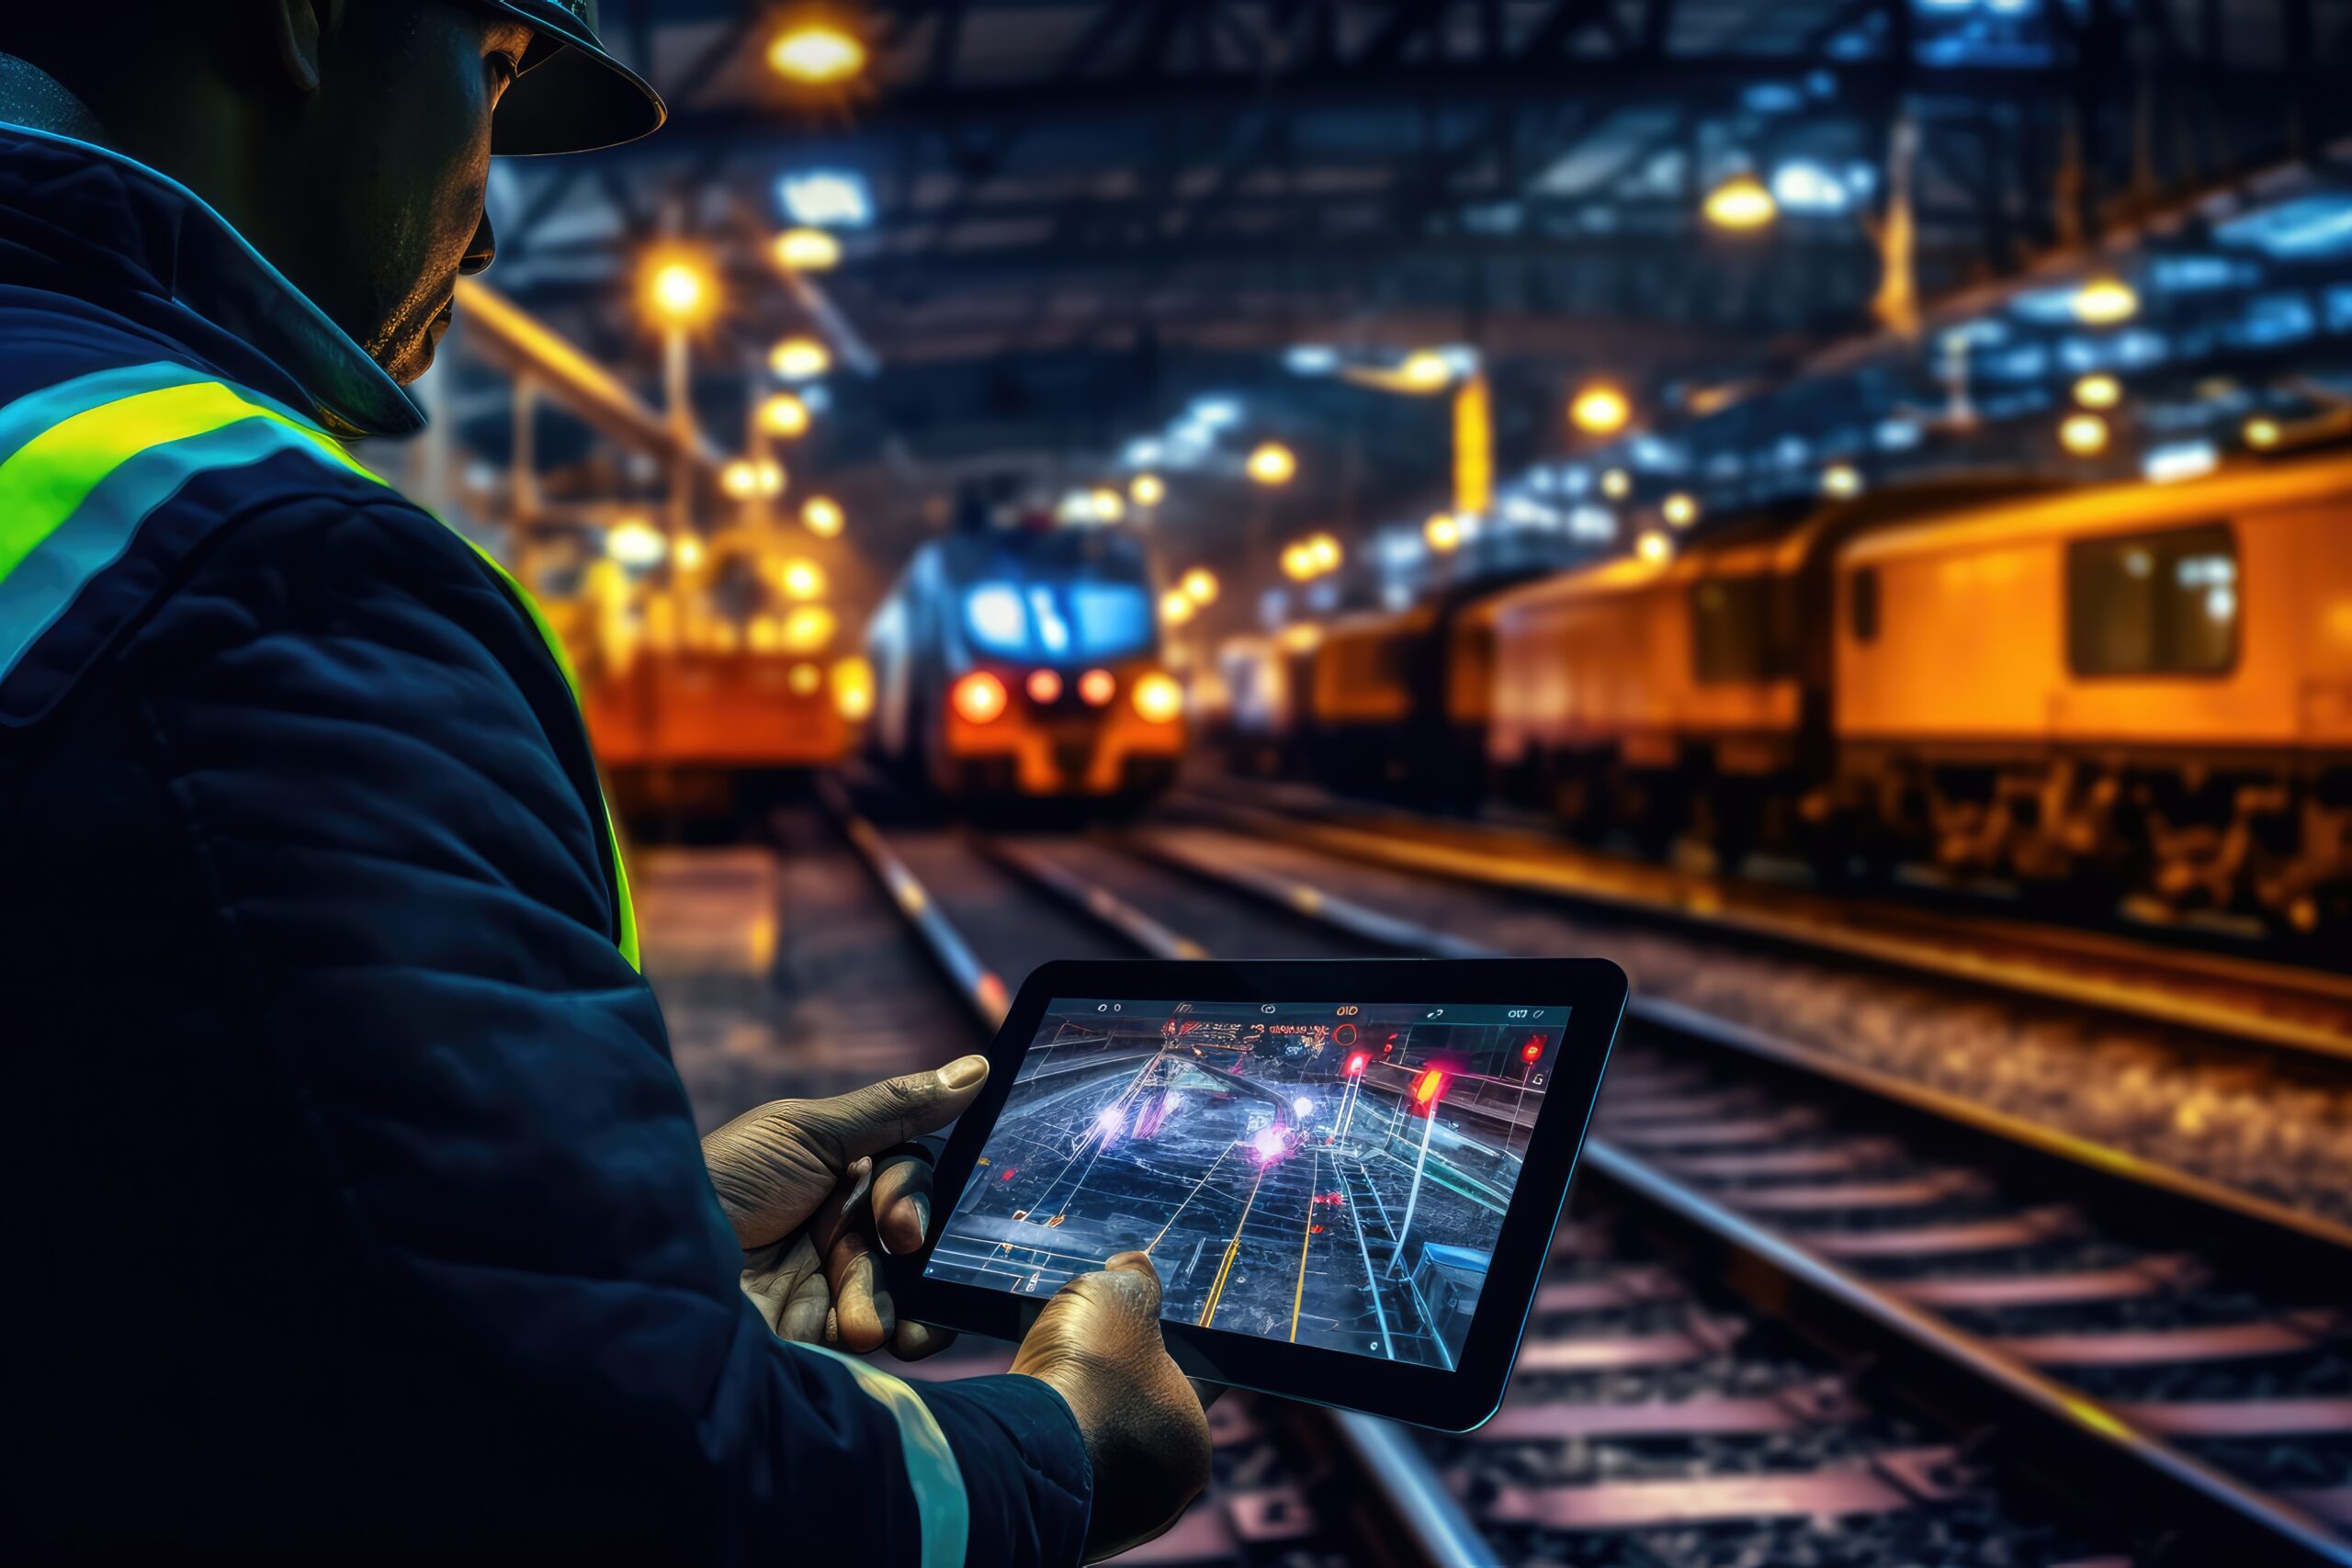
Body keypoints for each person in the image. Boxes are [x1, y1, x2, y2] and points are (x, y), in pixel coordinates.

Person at [0, 2, 1210, 1560]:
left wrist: (618, 1239)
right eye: (493, 77)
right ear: (301, 17)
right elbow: (635, 1481)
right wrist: (1070, 1452)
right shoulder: (262, 573)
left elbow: (124, 1201)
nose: (491, 226)